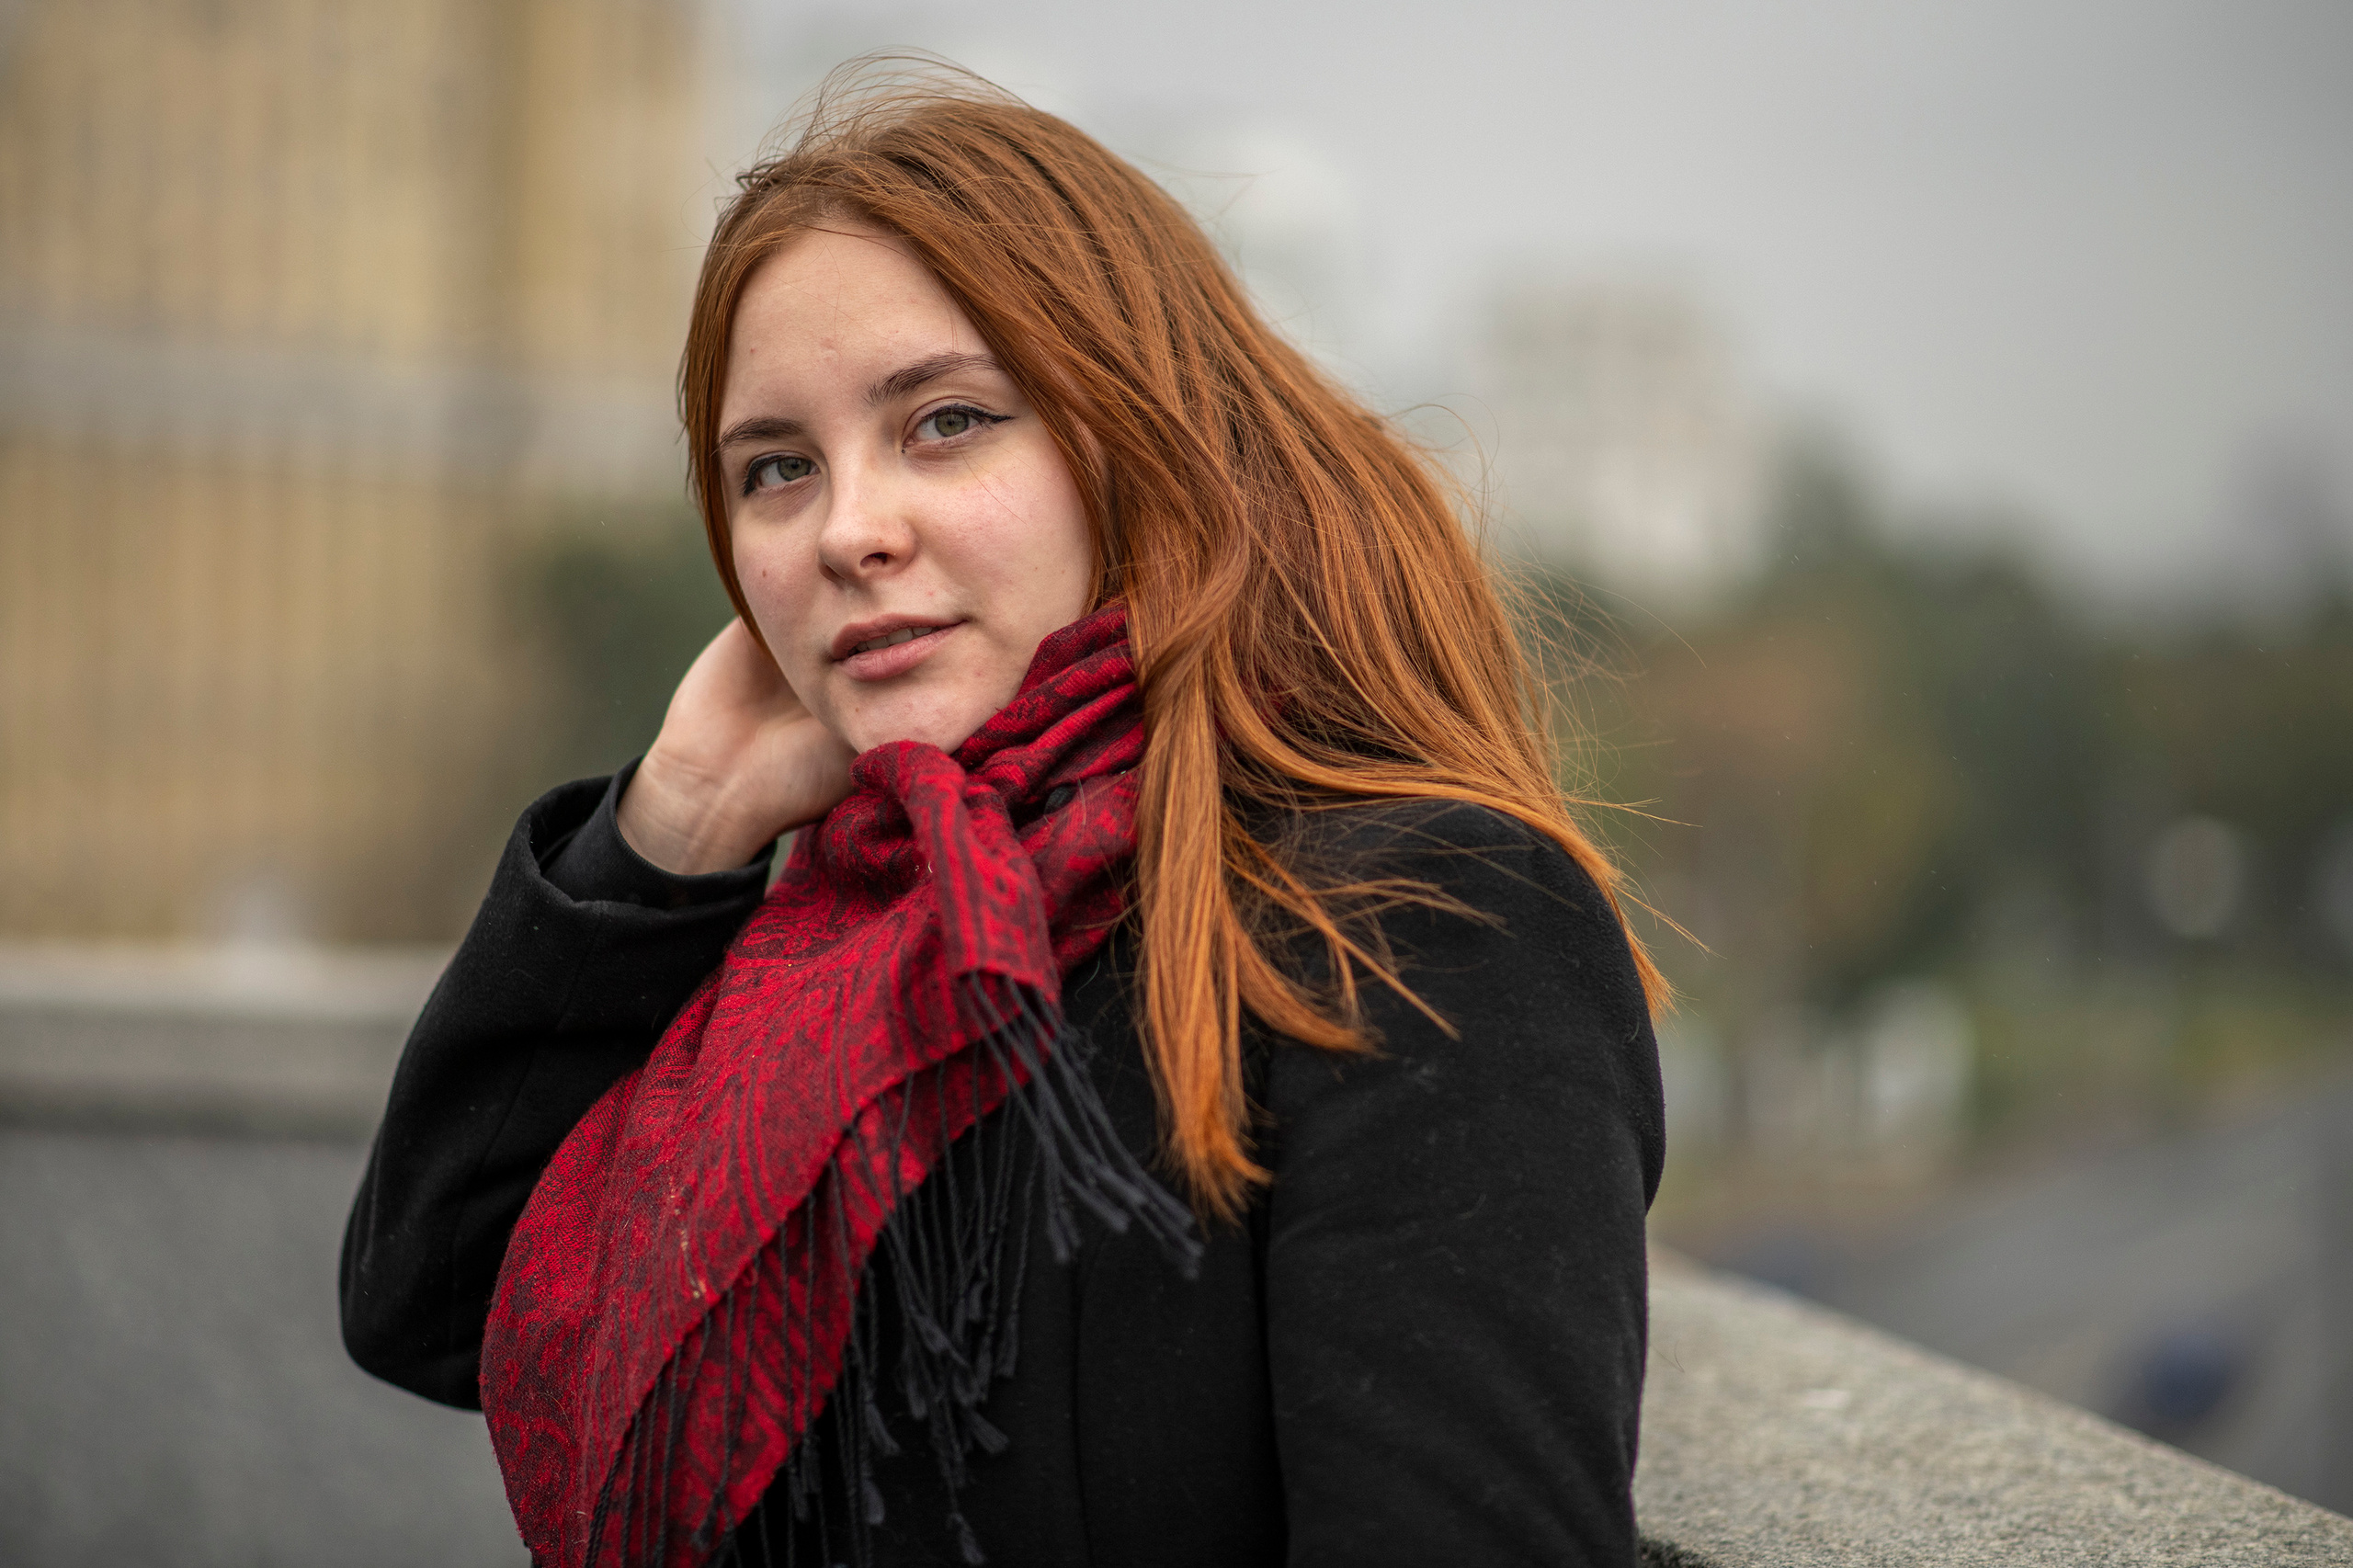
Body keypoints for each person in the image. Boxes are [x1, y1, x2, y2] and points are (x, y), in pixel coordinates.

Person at [341, 67, 1665, 1568]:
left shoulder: (1419, 915)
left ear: (1144, 439)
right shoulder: (821, 942)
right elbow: (438, 1299)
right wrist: (681, 811)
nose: (847, 529)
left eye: (947, 421)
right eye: (775, 469)